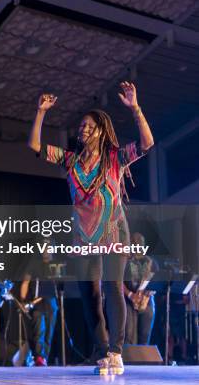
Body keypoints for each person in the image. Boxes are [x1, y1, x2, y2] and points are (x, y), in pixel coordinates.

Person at [28, 82, 154, 375]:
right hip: (82, 237)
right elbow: (34, 146)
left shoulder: (115, 158)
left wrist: (135, 108)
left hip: (113, 233)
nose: (82, 129)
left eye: (88, 125)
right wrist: (40, 112)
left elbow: (147, 144)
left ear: (100, 130)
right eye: (81, 125)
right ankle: (101, 350)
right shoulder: (70, 161)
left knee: (111, 287)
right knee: (89, 297)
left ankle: (116, 351)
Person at [16, 240, 59, 366]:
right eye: (44, 248)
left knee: (49, 332)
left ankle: (44, 357)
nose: (46, 251)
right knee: (39, 331)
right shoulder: (35, 264)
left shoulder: (56, 264)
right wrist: (24, 301)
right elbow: (25, 282)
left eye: (49, 248)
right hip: (37, 303)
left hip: (52, 303)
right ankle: (38, 357)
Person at [124, 232, 158, 345]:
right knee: (129, 337)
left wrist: (149, 291)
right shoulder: (124, 261)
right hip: (128, 300)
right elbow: (117, 282)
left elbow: (156, 283)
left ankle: (142, 361)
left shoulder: (151, 262)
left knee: (145, 336)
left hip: (146, 301)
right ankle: (129, 361)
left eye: (141, 244)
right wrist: (130, 295)